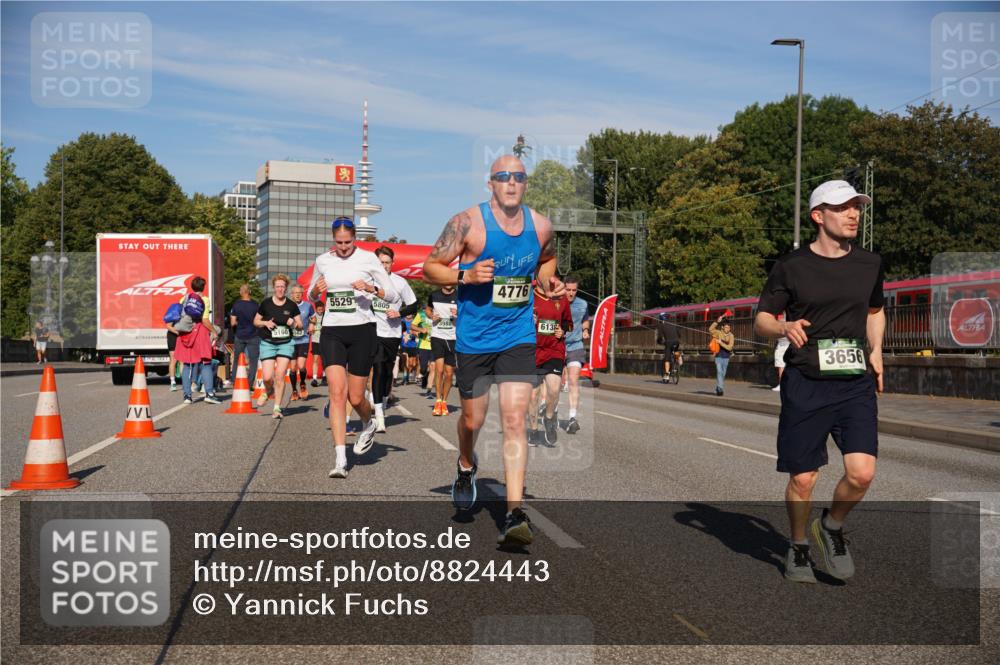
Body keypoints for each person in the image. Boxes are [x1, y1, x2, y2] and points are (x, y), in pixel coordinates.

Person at [423, 154, 563, 547]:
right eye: (503, 177)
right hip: (474, 339)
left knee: (516, 420)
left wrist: (547, 282)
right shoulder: (467, 223)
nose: (511, 183)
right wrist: (463, 274)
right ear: (491, 184)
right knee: (472, 421)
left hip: (517, 335)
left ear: (526, 183)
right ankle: (466, 465)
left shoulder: (540, 226)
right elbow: (430, 267)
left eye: (518, 177)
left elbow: (548, 260)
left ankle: (515, 513)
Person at [753, 179, 883, 584]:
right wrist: (784, 326)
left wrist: (876, 350)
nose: (853, 214)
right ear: (817, 215)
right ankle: (797, 546)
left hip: (854, 380)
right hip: (807, 381)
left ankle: (830, 526)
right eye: (843, 207)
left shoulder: (870, 263)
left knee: (861, 472)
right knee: (804, 477)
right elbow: (761, 320)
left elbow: (875, 310)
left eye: (856, 207)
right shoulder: (790, 267)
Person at [308, 216, 397, 479]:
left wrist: (370, 287)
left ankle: (368, 423)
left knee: (356, 398)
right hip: (333, 330)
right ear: (332, 239)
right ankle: (340, 459)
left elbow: (391, 293)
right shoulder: (324, 260)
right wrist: (315, 290)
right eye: (339, 243)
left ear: (355, 238)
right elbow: (312, 294)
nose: (343, 247)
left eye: (347, 242)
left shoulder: (368, 259)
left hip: (362, 330)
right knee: (337, 393)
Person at [371, 246, 419, 432]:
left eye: (387, 262)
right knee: (378, 368)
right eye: (380, 262)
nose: (384, 266)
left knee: (387, 372)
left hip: (392, 334)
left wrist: (398, 313)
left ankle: (382, 404)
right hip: (374, 332)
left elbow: (413, 306)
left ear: (393, 263)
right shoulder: (369, 282)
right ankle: (379, 416)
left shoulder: (400, 282)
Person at [529, 280, 573, 445]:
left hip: (554, 349)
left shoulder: (560, 297)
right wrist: (528, 321)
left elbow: (569, 323)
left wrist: (563, 330)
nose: (551, 279)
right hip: (533, 351)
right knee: (533, 396)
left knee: (554, 389)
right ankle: (533, 429)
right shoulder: (529, 295)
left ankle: (548, 418)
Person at [253, 274, 302, 419]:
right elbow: (255, 321)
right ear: (273, 288)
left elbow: (300, 326)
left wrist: (292, 323)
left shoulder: (291, 305)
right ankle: (268, 391)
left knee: (280, 375)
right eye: (278, 286)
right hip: (268, 342)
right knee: (268, 377)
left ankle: (277, 408)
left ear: (286, 288)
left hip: (285, 343)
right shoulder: (266, 303)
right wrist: (265, 323)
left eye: (282, 286)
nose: (280, 289)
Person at [175, 276, 222, 405]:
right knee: (206, 362)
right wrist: (213, 331)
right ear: (203, 287)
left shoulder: (184, 298)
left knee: (187, 364)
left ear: (192, 286)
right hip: (200, 333)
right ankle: (209, 393)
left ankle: (187, 396)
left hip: (186, 334)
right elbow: (205, 320)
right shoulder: (205, 300)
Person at [562, 276, 590, 434]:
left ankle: (572, 418)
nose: (571, 293)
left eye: (574, 290)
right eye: (568, 290)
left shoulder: (583, 304)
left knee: (573, 380)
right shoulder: (556, 302)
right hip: (557, 346)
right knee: (554, 386)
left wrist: (585, 330)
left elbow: (585, 321)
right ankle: (547, 408)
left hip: (575, 346)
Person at [428, 286, 458, 416]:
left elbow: (468, 312)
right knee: (439, 370)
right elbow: (428, 309)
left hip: (453, 337)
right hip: (437, 336)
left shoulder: (459, 295)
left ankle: (444, 402)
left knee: (449, 373)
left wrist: (459, 314)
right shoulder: (434, 294)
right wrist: (431, 315)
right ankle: (438, 400)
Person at [229, 284, 260, 392]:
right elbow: (259, 320)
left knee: (237, 359)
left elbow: (233, 322)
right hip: (254, 335)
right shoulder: (256, 305)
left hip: (239, 335)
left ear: (240, 292)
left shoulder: (236, 305)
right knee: (253, 361)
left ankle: (234, 381)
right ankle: (250, 384)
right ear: (250, 292)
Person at [288, 284, 315, 401]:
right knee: (293, 368)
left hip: (303, 339)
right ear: (291, 294)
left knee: (301, 365)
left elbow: (313, 317)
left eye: (300, 293)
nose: (298, 295)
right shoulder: (287, 306)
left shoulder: (308, 306)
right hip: (290, 340)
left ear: (302, 294)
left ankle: (302, 384)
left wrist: (312, 325)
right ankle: (294, 390)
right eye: (295, 293)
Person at [411, 303, 435, 397]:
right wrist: (421, 330)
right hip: (423, 345)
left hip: (435, 345)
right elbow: (412, 326)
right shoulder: (420, 314)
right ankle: (424, 374)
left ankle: (429, 390)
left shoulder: (438, 314)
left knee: (433, 366)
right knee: (424, 368)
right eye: (430, 310)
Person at [709, 316, 734, 396]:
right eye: (726, 327)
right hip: (718, 356)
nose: (727, 329)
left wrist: (721, 343)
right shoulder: (718, 333)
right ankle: (720, 389)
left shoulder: (731, 336)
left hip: (726, 357)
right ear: (722, 327)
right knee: (719, 371)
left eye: (729, 327)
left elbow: (730, 347)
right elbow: (710, 330)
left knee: (723, 374)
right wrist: (717, 322)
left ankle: (718, 388)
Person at [656, 313, 680, 384]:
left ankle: (666, 375)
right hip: (676, 342)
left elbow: (660, 337)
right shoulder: (674, 323)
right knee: (675, 349)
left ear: (661, 319)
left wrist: (660, 342)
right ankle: (678, 360)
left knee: (667, 359)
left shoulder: (661, 325)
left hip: (668, 343)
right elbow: (679, 334)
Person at [309, 300, 326, 388]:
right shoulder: (313, 317)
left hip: (324, 341)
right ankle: (314, 378)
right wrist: (311, 329)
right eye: (318, 310)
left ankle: (324, 377)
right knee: (315, 359)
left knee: (324, 360)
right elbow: (309, 329)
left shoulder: (326, 316)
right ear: (316, 309)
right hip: (315, 340)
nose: (320, 311)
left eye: (321, 310)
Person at [773, 313, 790, 391]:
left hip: (783, 345)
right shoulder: (790, 320)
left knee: (781, 366)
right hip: (788, 345)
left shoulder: (782, 322)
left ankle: (781, 384)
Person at [400, 315, 419, 384]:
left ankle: (412, 374)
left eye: (411, 313)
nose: (409, 314)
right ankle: (405, 377)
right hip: (404, 344)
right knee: (404, 361)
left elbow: (418, 332)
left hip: (413, 345)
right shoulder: (402, 321)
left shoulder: (415, 321)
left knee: (412, 364)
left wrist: (413, 334)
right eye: (408, 313)